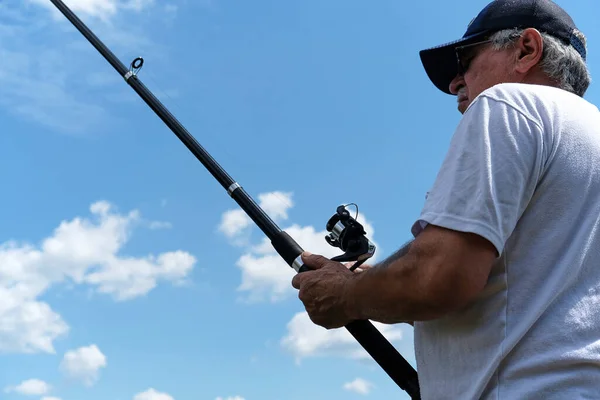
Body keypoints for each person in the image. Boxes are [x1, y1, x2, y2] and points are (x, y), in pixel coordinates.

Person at [291, 0, 600, 398]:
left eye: (465, 60)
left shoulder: (508, 104)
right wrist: (378, 283)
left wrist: (346, 295)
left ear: (526, 49)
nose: (455, 83)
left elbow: (441, 277)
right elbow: (528, 294)